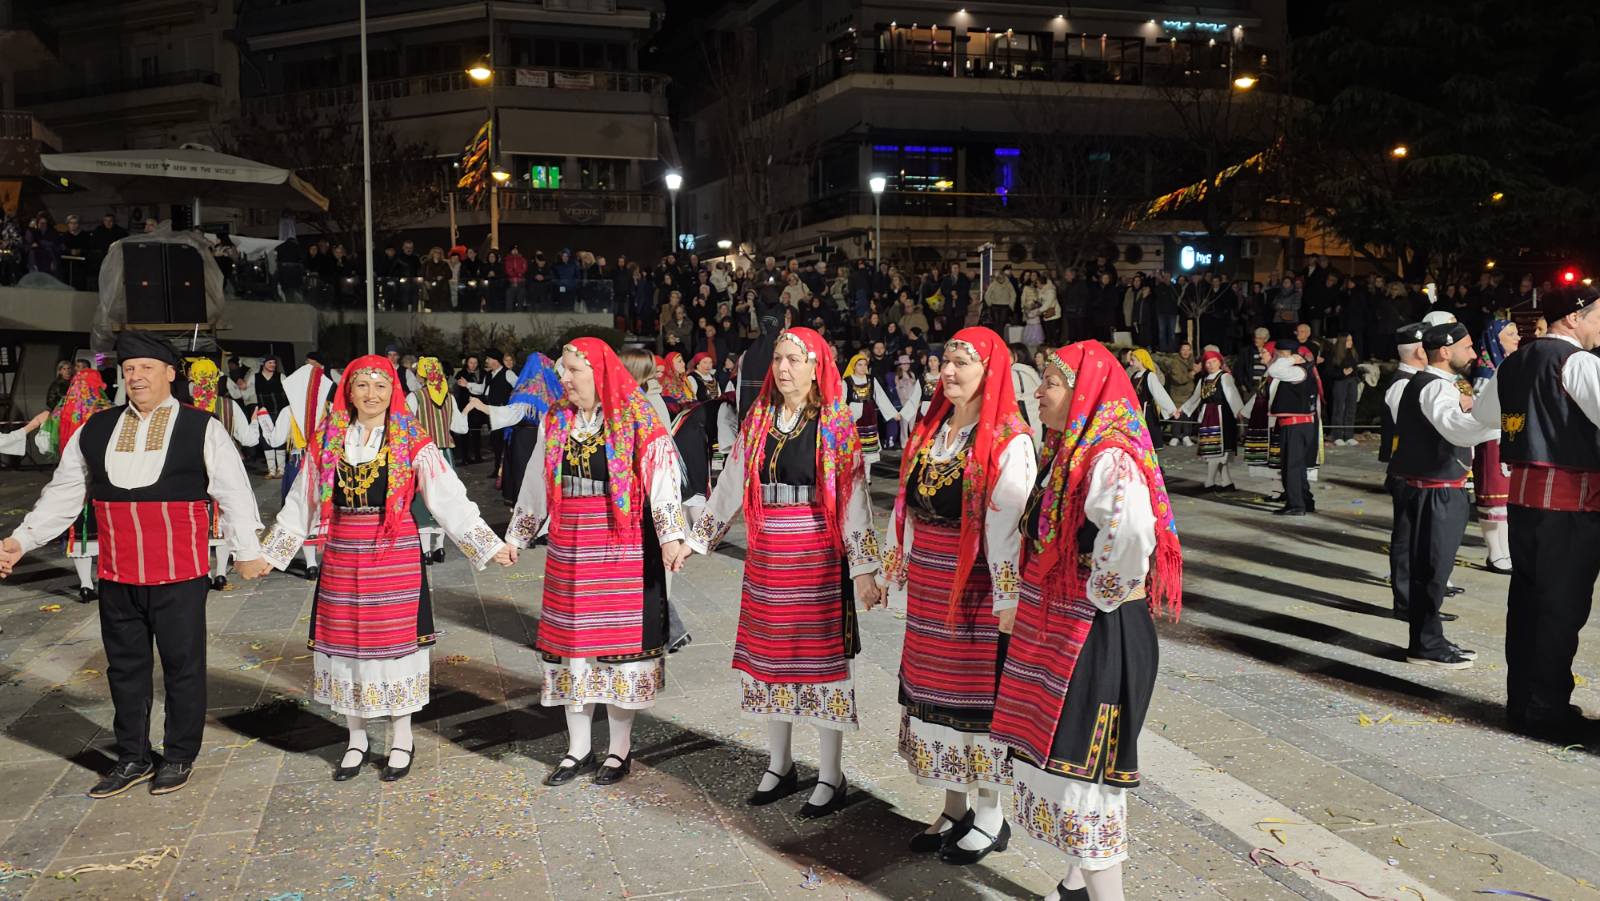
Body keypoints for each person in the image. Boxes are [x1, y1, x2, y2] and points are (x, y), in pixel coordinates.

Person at [0, 332, 268, 798]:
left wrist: (246, 549)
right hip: (118, 574)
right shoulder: (95, 429)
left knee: (183, 667)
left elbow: (234, 492)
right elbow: (63, 495)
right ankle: (133, 757)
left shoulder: (201, 427)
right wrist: (20, 540)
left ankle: (179, 754)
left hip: (180, 574)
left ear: (169, 373)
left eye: (146, 368)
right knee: (124, 669)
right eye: (129, 369)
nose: (136, 376)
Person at [991, 340, 1182, 901]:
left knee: (1086, 777)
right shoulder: (1069, 450)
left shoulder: (1108, 455)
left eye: (1051, 383)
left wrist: (1097, 591)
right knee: (1065, 763)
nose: (1039, 393)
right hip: (1069, 623)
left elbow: (1132, 534)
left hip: (1098, 630)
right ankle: (1077, 885)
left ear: (1084, 393)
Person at [260, 356, 511, 782]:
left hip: (394, 553)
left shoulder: (410, 438)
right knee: (346, 646)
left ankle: (401, 738)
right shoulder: (329, 439)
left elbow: (447, 497)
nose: (371, 394)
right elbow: (302, 500)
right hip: (343, 552)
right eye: (362, 386)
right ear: (349, 391)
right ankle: (356, 739)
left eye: (380, 386)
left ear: (393, 390)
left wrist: (488, 544)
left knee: (397, 647)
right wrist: (271, 553)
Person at [685, 327, 883, 815]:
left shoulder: (834, 422)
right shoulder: (759, 419)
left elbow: (853, 497)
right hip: (768, 556)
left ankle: (831, 775)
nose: (783, 368)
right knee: (770, 660)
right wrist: (696, 539)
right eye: (778, 359)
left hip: (817, 557)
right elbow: (731, 482)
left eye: (794, 359)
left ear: (816, 367)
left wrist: (863, 568)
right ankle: (780, 764)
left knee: (822, 665)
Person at [879, 327, 1036, 863]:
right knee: (934, 694)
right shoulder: (934, 429)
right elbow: (904, 506)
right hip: (930, 583)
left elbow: (1010, 526)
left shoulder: (1010, 439)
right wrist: (893, 572)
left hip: (976, 588)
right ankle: (953, 806)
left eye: (961, 363)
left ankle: (991, 814)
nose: (947, 372)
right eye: (944, 361)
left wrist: (1008, 599)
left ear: (990, 371)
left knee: (977, 699)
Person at [505, 339, 689, 787]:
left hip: (621, 546)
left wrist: (671, 536)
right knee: (574, 648)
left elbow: (662, 480)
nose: (564, 378)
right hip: (570, 544)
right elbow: (536, 481)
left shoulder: (636, 417)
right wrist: (517, 536)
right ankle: (578, 749)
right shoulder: (557, 418)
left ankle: (619, 749)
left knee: (617, 653)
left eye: (573, 370)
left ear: (600, 372)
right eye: (563, 370)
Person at [1469, 287, 1600, 740]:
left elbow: (1486, 414)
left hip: (1523, 502)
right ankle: (1547, 709)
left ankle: (1522, 701)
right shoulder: (1578, 362)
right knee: (1561, 609)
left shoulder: (1514, 362)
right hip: (1571, 503)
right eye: (1598, 315)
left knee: (1526, 604)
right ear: (1573, 317)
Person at [1388, 323, 1497, 669]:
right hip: (1436, 492)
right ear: (1446, 352)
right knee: (1432, 571)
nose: (1473, 354)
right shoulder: (1435, 387)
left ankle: (1429, 638)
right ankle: (1426, 646)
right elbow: (1458, 432)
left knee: (1431, 569)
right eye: (1468, 347)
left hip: (1436, 489)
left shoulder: (1435, 384)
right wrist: (1500, 423)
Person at [32, 370, 113, 602]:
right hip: (103, 479)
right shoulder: (106, 410)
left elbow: (43, 445)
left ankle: (85, 585)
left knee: (78, 533)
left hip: (72, 479)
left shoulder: (60, 410)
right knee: (106, 532)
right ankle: (106, 580)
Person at [186, 357, 261, 589]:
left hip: (191, 473)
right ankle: (220, 574)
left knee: (196, 524)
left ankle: (202, 571)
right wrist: (255, 422)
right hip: (223, 472)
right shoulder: (229, 407)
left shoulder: (180, 408)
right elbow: (249, 439)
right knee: (224, 519)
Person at [1383, 323, 1429, 620]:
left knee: (1419, 537)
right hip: (1406, 470)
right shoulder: (1403, 384)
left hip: (1416, 468)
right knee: (1406, 537)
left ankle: (1419, 601)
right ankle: (1406, 602)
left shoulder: (1414, 380)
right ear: (1420, 351)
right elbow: (1414, 427)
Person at [408, 357, 470, 561]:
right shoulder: (449, 398)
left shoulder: (415, 397)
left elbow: (405, 427)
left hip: (423, 454)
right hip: (444, 455)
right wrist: (466, 410)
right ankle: (440, 548)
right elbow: (461, 428)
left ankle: (425, 550)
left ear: (422, 376)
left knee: (422, 499)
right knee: (444, 497)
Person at [1473, 319, 1519, 575]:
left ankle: (1506, 551)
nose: (1517, 338)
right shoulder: (1486, 374)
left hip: (1509, 438)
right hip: (1492, 441)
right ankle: (1495, 552)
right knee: (1494, 498)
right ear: (1495, 341)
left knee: (1506, 500)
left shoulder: (1510, 366)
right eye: (1510, 334)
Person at [1258, 342, 1319, 515]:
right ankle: (1305, 501)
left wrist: (1291, 358)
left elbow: (1275, 370)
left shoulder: (1297, 370)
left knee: (1291, 466)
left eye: (1277, 354)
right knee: (1296, 466)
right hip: (1293, 424)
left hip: (1296, 424)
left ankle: (1296, 505)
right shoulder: (1295, 370)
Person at [1179, 349, 1245, 490]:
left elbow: (1232, 394)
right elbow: (1196, 397)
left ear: (1219, 362)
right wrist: (1182, 409)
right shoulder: (1203, 379)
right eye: (1207, 362)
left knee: (1218, 451)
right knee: (1213, 449)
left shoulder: (1224, 377)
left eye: (1214, 361)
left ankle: (1210, 482)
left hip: (1222, 416)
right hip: (1208, 416)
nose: (1211, 365)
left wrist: (1239, 410)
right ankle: (1227, 482)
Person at [844, 352, 899, 483]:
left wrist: (893, 413)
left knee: (868, 449)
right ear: (854, 366)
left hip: (869, 417)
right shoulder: (847, 381)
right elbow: (841, 401)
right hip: (853, 418)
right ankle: (853, 476)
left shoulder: (871, 380)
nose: (863, 367)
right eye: (860, 364)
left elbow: (880, 397)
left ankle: (867, 477)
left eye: (865, 365)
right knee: (854, 448)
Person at [1123, 349, 1175, 449]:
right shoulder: (1134, 376)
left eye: (1133, 360)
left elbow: (1159, 393)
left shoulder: (1150, 375)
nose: (1131, 363)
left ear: (1141, 360)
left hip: (1147, 411)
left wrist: (1171, 409)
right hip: (1136, 410)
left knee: (1151, 435)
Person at [1321, 334, 1362, 446]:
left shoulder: (1353, 353)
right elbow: (1328, 372)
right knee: (1339, 409)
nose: (1350, 342)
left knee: (1351, 408)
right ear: (1342, 342)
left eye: (1351, 340)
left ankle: (1349, 435)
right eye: (1348, 340)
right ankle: (1337, 436)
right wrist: (1342, 373)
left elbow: (1356, 366)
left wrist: (1356, 374)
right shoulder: (1333, 354)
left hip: (1352, 382)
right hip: (1340, 382)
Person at [254, 357, 291, 478]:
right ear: (263, 364)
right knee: (266, 439)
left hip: (279, 412)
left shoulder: (281, 376)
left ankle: (281, 470)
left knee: (280, 437)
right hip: (264, 414)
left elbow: (290, 391)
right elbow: (245, 392)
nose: (273, 365)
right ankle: (271, 470)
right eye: (270, 363)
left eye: (274, 363)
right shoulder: (255, 377)